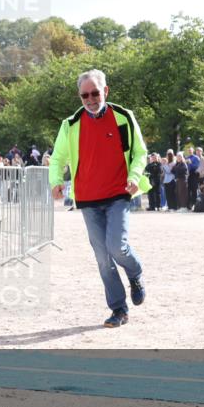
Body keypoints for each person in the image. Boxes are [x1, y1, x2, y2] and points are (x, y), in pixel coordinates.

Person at [49, 69, 149, 328]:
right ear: (80, 96)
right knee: (103, 258)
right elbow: (58, 157)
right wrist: (55, 181)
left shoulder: (124, 117)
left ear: (105, 91)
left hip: (119, 193)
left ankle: (135, 272)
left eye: (95, 93)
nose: (90, 99)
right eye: (85, 95)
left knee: (117, 247)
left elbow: (140, 153)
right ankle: (119, 309)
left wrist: (135, 176)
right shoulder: (70, 124)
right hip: (88, 198)